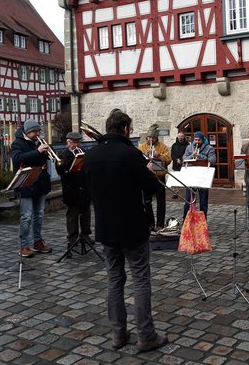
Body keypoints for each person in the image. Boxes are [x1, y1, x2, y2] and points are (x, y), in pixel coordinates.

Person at [83, 110, 168, 351]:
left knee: (114, 280)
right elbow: (151, 188)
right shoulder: (132, 155)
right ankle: (146, 335)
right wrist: (148, 170)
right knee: (141, 280)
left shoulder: (90, 156)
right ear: (126, 130)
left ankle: (118, 334)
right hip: (132, 227)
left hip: (106, 228)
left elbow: (91, 192)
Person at [10, 119, 53, 258]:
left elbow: (42, 160)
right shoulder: (17, 143)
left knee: (39, 214)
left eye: (38, 131)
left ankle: (37, 241)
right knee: (26, 216)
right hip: (26, 184)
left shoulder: (38, 142)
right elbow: (17, 159)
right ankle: (24, 246)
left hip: (40, 183)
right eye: (35, 132)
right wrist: (37, 151)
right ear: (27, 132)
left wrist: (46, 152)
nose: (37, 134)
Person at [56, 132, 92, 250]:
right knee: (72, 215)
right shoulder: (62, 155)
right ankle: (72, 238)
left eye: (78, 142)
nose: (76, 145)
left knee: (86, 213)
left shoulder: (84, 153)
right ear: (68, 143)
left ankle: (86, 235)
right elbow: (60, 171)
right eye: (73, 142)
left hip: (84, 188)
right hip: (71, 189)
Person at [138, 124, 172, 230]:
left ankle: (160, 224)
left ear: (156, 138)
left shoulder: (162, 146)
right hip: (147, 177)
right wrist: (145, 156)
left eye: (153, 137)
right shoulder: (142, 146)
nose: (150, 139)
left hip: (159, 177)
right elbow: (137, 159)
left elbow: (168, 159)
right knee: (147, 201)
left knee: (161, 202)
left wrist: (159, 155)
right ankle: (150, 223)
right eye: (149, 137)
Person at [182, 131, 216, 219]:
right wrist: (191, 156)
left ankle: (202, 222)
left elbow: (212, 161)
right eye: (195, 140)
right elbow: (184, 159)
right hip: (191, 175)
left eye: (199, 140)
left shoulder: (209, 148)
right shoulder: (189, 147)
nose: (197, 142)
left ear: (202, 140)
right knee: (188, 201)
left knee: (203, 202)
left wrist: (200, 156)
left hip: (203, 176)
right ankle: (186, 222)